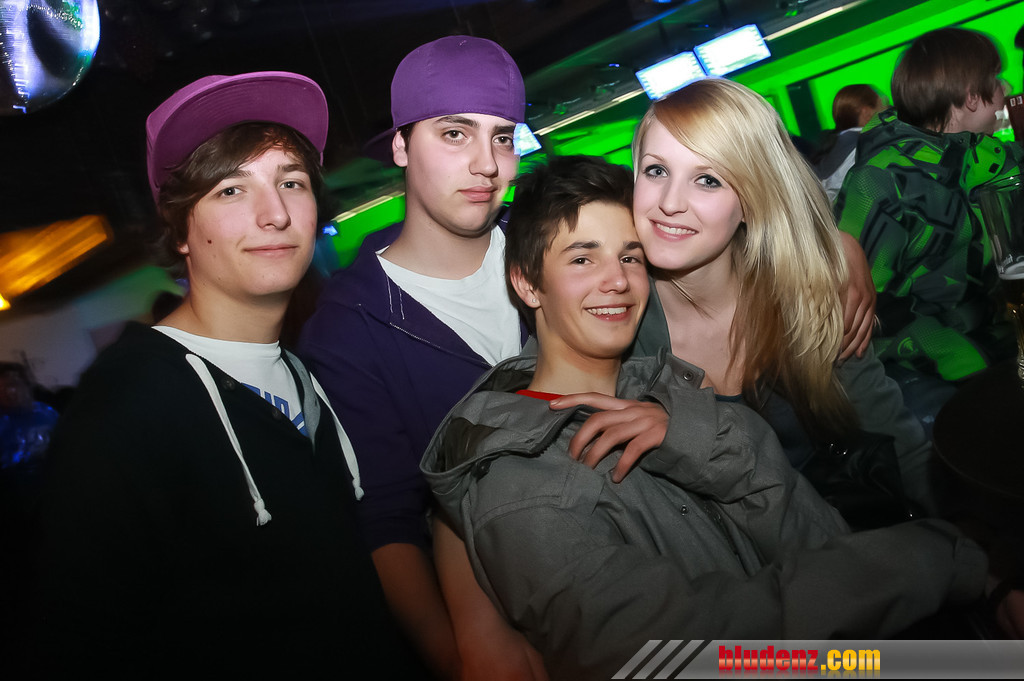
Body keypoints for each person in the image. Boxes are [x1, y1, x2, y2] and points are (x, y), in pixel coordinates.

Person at [421, 154, 990, 679]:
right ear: (527, 283)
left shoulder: (675, 395)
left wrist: (833, 246)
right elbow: (686, 656)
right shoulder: (524, 484)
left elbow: (819, 539)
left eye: (630, 256)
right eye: (582, 258)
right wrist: (944, 559)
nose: (616, 280)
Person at [33, 72, 420, 676]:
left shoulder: (307, 372)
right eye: (231, 190)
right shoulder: (128, 408)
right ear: (180, 230)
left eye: (291, 182)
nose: (275, 214)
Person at [298, 36, 540, 679]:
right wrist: (454, 658)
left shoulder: (559, 251)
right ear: (402, 147)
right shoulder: (348, 330)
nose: (486, 164)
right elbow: (386, 518)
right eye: (455, 134)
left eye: (503, 137)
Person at [627, 77, 936, 518]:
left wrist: (964, 534)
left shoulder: (807, 294)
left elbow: (897, 443)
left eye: (708, 180)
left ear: (753, 198)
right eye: (656, 171)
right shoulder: (613, 324)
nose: (670, 202)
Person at [834, 27, 1023, 431]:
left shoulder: (982, 154)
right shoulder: (880, 182)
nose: (1006, 89)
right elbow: (866, 309)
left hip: (996, 337)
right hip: (923, 363)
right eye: (996, 79)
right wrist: (964, 358)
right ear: (971, 96)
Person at [816, 84, 886, 201]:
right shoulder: (868, 147)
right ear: (867, 113)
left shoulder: (833, 145)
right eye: (885, 106)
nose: (892, 112)